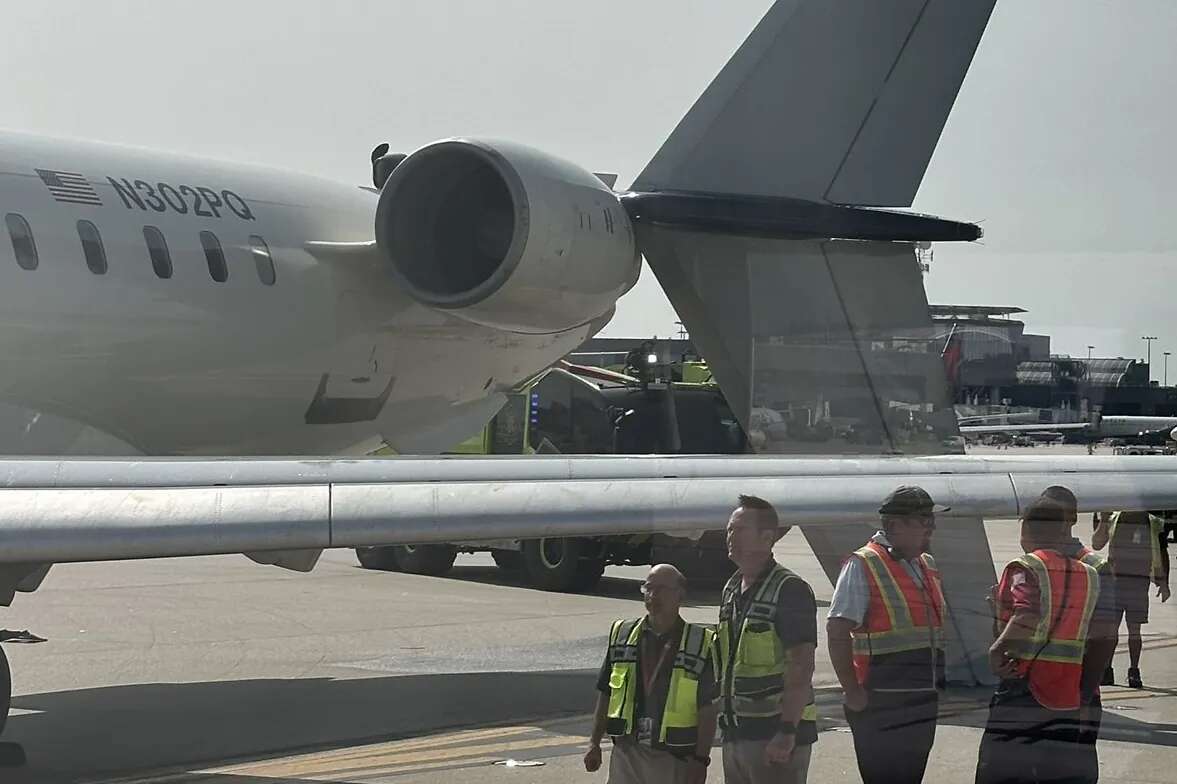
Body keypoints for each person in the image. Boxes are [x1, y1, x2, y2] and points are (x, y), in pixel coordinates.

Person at [975, 499, 1101, 784]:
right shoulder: (1089, 575)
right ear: (1061, 533)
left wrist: (996, 650)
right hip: (1067, 692)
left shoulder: (1025, 567)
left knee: (1000, 771)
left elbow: (1028, 615)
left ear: (1027, 529)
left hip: (1024, 687)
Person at [827, 485, 946, 784]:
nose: (931, 528)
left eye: (931, 520)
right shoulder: (863, 564)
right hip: (880, 702)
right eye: (923, 520)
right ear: (894, 525)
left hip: (921, 699)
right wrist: (852, 691)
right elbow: (837, 630)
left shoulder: (925, 564)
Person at [585, 564, 719, 784]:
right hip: (628, 752)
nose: (653, 595)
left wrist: (701, 760)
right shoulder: (623, 634)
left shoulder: (700, 643)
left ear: (680, 594)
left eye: (662, 589)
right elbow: (606, 692)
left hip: (672, 757)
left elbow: (708, 710)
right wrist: (594, 742)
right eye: (648, 588)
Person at [718, 495, 818, 784]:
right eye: (729, 530)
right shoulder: (732, 588)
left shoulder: (790, 590)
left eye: (739, 530)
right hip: (737, 731)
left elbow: (801, 666)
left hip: (774, 735)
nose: (730, 536)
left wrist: (787, 731)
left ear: (766, 538)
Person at [1040, 486, 1118, 784]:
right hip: (1039, 693)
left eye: (1052, 517)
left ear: (1071, 519)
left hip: (1077, 692)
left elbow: (1104, 636)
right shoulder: (1036, 562)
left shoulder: (1093, 566)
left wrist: (1084, 696)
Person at [1092, 508, 1171, 688]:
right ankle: (1107, 669)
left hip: (1138, 582)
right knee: (1111, 631)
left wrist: (1163, 582)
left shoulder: (1153, 523)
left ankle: (1133, 670)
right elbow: (1097, 544)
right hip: (1114, 582)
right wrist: (1103, 521)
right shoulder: (1113, 518)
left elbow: (1162, 552)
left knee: (1134, 631)